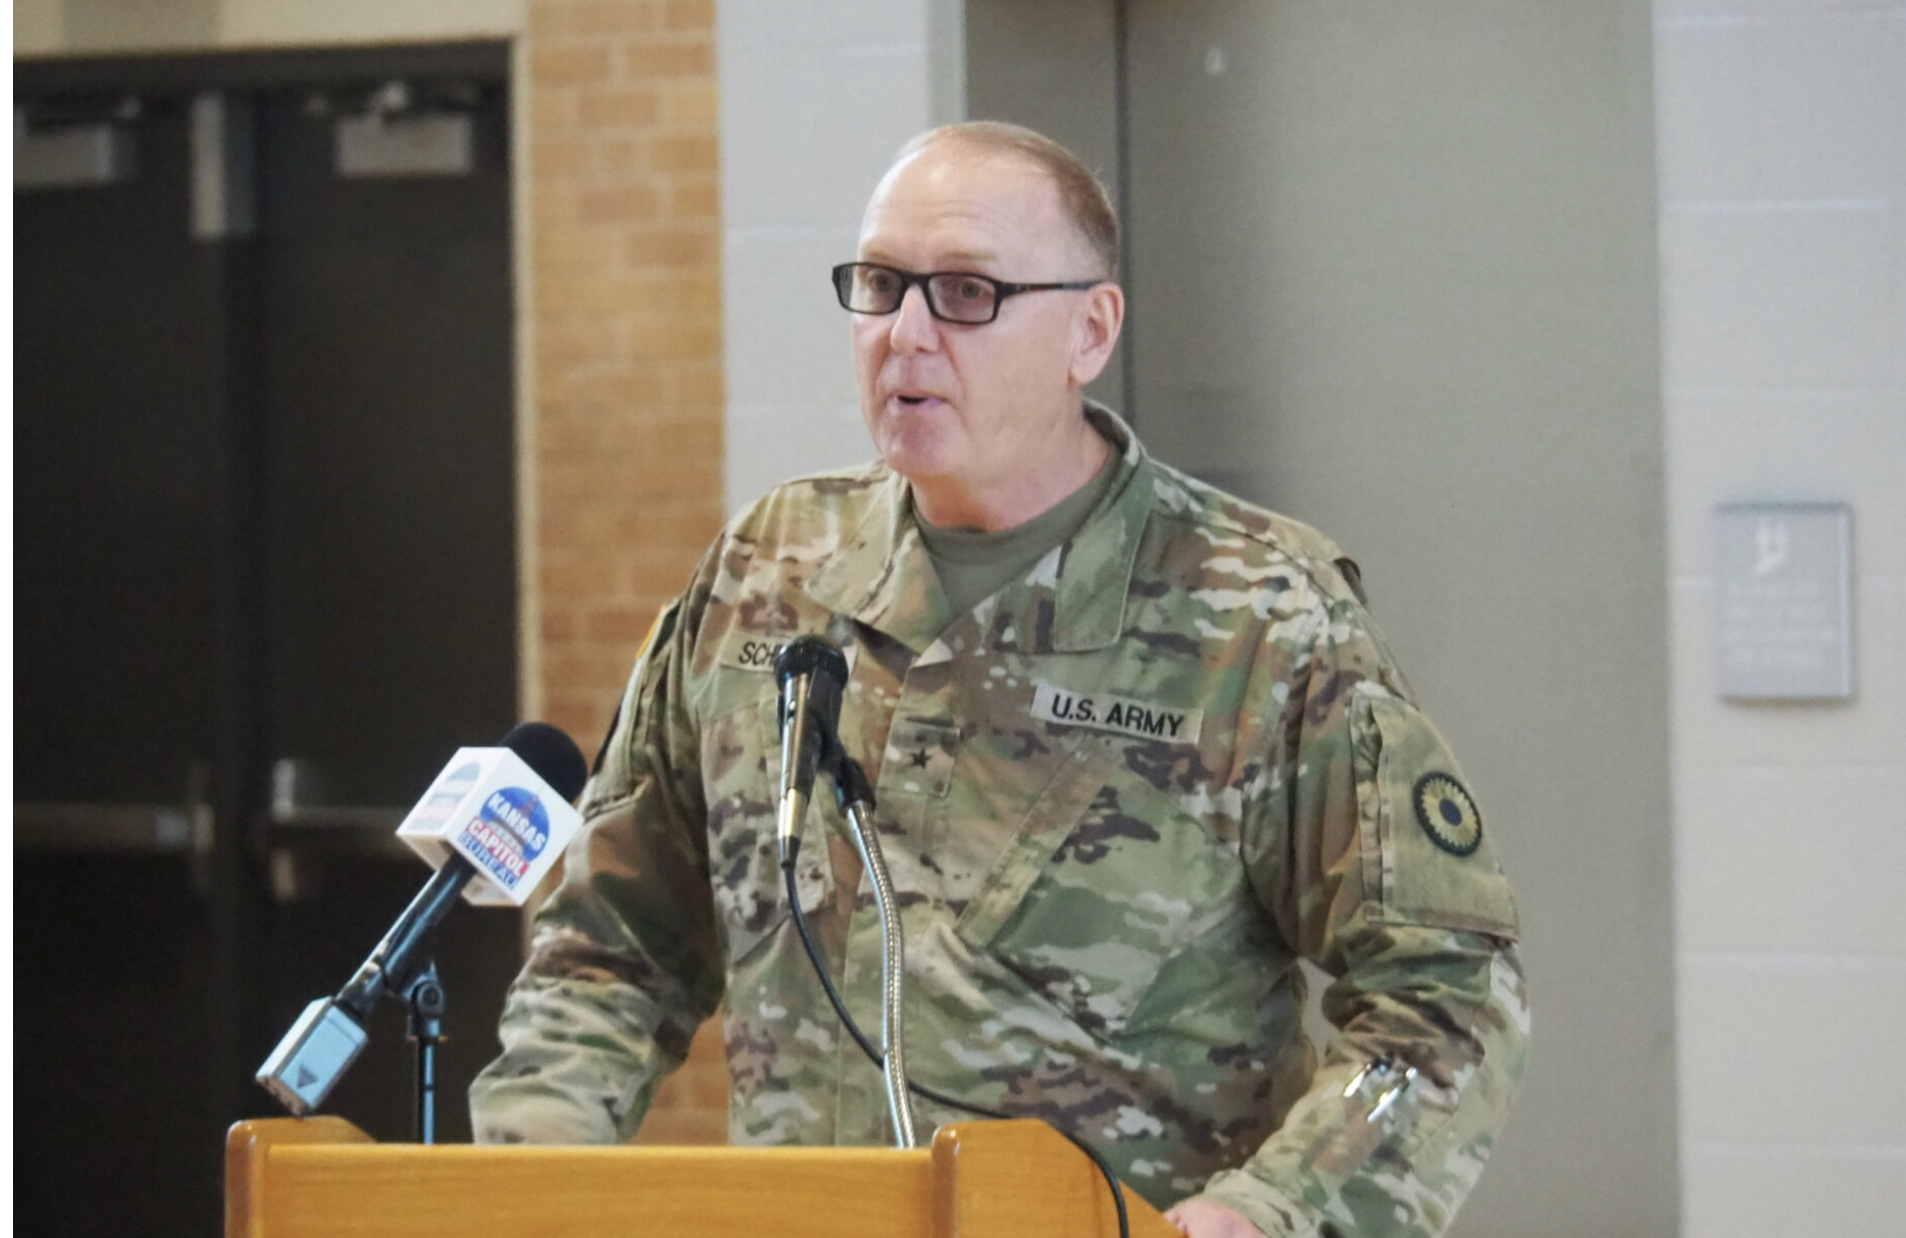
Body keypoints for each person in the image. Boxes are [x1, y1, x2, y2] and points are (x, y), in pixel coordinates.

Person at [471, 121, 1528, 1238]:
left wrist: (1274, 1211)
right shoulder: (767, 574)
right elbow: (611, 949)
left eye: (967, 293)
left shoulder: (1258, 614)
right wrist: (525, 1188)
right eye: (881, 285)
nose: (905, 334)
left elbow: (1446, 994)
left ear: (1089, 330)